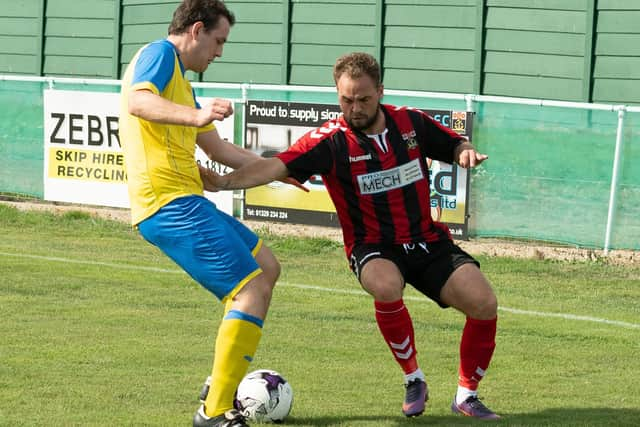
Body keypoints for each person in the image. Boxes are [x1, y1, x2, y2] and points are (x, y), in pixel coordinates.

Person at [200, 52, 501, 420]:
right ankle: (413, 378)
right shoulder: (330, 141)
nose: (354, 108)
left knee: (484, 303)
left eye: (363, 99)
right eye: (346, 99)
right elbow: (272, 166)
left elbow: (453, 143)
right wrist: (224, 183)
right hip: (372, 246)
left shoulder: (410, 123)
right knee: (386, 285)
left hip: (427, 240)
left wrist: (465, 151)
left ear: (380, 91)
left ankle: (467, 396)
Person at [118, 1, 304, 426]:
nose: (219, 52)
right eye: (218, 41)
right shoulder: (159, 55)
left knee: (266, 267)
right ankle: (215, 412)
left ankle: (219, 382)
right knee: (250, 291)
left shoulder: (181, 86)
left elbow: (219, 151)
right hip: (167, 203)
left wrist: (278, 168)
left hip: (189, 200)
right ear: (196, 29)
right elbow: (137, 102)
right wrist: (197, 114)